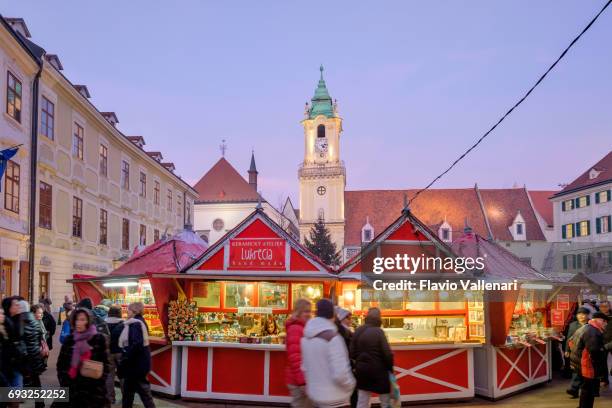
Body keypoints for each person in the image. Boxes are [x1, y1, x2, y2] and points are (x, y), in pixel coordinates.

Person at [301, 299, 355, 408]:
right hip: (336, 399)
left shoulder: (305, 338)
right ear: (333, 316)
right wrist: (351, 385)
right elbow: (341, 374)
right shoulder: (333, 338)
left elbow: (304, 368)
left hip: (316, 398)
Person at [56, 308, 110, 407]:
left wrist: (99, 382)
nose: (79, 323)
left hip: (93, 391)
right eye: (77, 319)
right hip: (72, 389)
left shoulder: (98, 339)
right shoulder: (70, 340)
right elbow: (61, 364)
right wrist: (65, 380)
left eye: (82, 320)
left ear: (89, 321)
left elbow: (106, 364)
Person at [350, 307, 394, 408]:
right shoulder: (379, 332)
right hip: (379, 372)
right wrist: (390, 369)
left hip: (362, 371)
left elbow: (352, 353)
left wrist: (361, 361)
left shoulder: (358, 331)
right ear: (379, 318)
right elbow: (387, 354)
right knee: (385, 401)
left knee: (362, 401)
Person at [118, 302, 156, 408]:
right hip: (137, 364)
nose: (127, 312)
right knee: (130, 392)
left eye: (128, 310)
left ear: (134, 311)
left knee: (141, 393)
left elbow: (136, 344)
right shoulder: (138, 322)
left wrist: (126, 356)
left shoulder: (136, 324)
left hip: (136, 365)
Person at [570, 312, 611, 408]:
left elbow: (570, 342)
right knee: (588, 390)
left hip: (580, 362)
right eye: (605, 322)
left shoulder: (586, 327)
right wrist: (606, 347)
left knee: (586, 388)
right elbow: (594, 351)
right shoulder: (593, 331)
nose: (605, 325)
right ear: (600, 320)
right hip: (587, 365)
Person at [10, 300, 45, 408]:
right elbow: (39, 337)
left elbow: (19, 338)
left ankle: (16, 400)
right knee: (35, 381)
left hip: (25, 357)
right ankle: (40, 403)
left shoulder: (21, 320)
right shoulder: (34, 320)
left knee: (19, 379)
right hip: (35, 356)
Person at [285, 299, 312, 408]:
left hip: (301, 378)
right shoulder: (296, 329)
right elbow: (295, 358)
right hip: (298, 380)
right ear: (298, 312)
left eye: (310, 311)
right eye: (305, 311)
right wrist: (302, 382)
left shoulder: (302, 327)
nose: (309, 314)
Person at [335, 307, 357, 408]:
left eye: (350, 318)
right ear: (341, 319)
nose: (350, 320)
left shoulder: (346, 331)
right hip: (348, 368)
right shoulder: (343, 332)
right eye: (348, 318)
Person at [566, 307, 590, 398]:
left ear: (587, 316)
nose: (581, 316)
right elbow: (569, 338)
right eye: (579, 314)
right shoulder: (573, 325)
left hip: (586, 351)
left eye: (583, 314)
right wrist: (567, 350)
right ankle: (574, 389)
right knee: (576, 370)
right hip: (575, 351)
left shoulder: (590, 324)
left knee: (585, 372)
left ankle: (582, 389)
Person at [105, 305, 124, 405]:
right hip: (120, 352)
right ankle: (126, 398)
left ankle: (110, 398)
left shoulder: (104, 323)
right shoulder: (123, 324)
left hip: (108, 353)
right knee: (123, 376)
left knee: (109, 376)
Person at [599, 301, 611, 387]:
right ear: (599, 307)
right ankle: (604, 379)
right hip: (602, 342)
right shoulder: (596, 316)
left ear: (609, 307)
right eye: (602, 306)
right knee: (602, 362)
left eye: (606, 306)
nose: (604, 308)